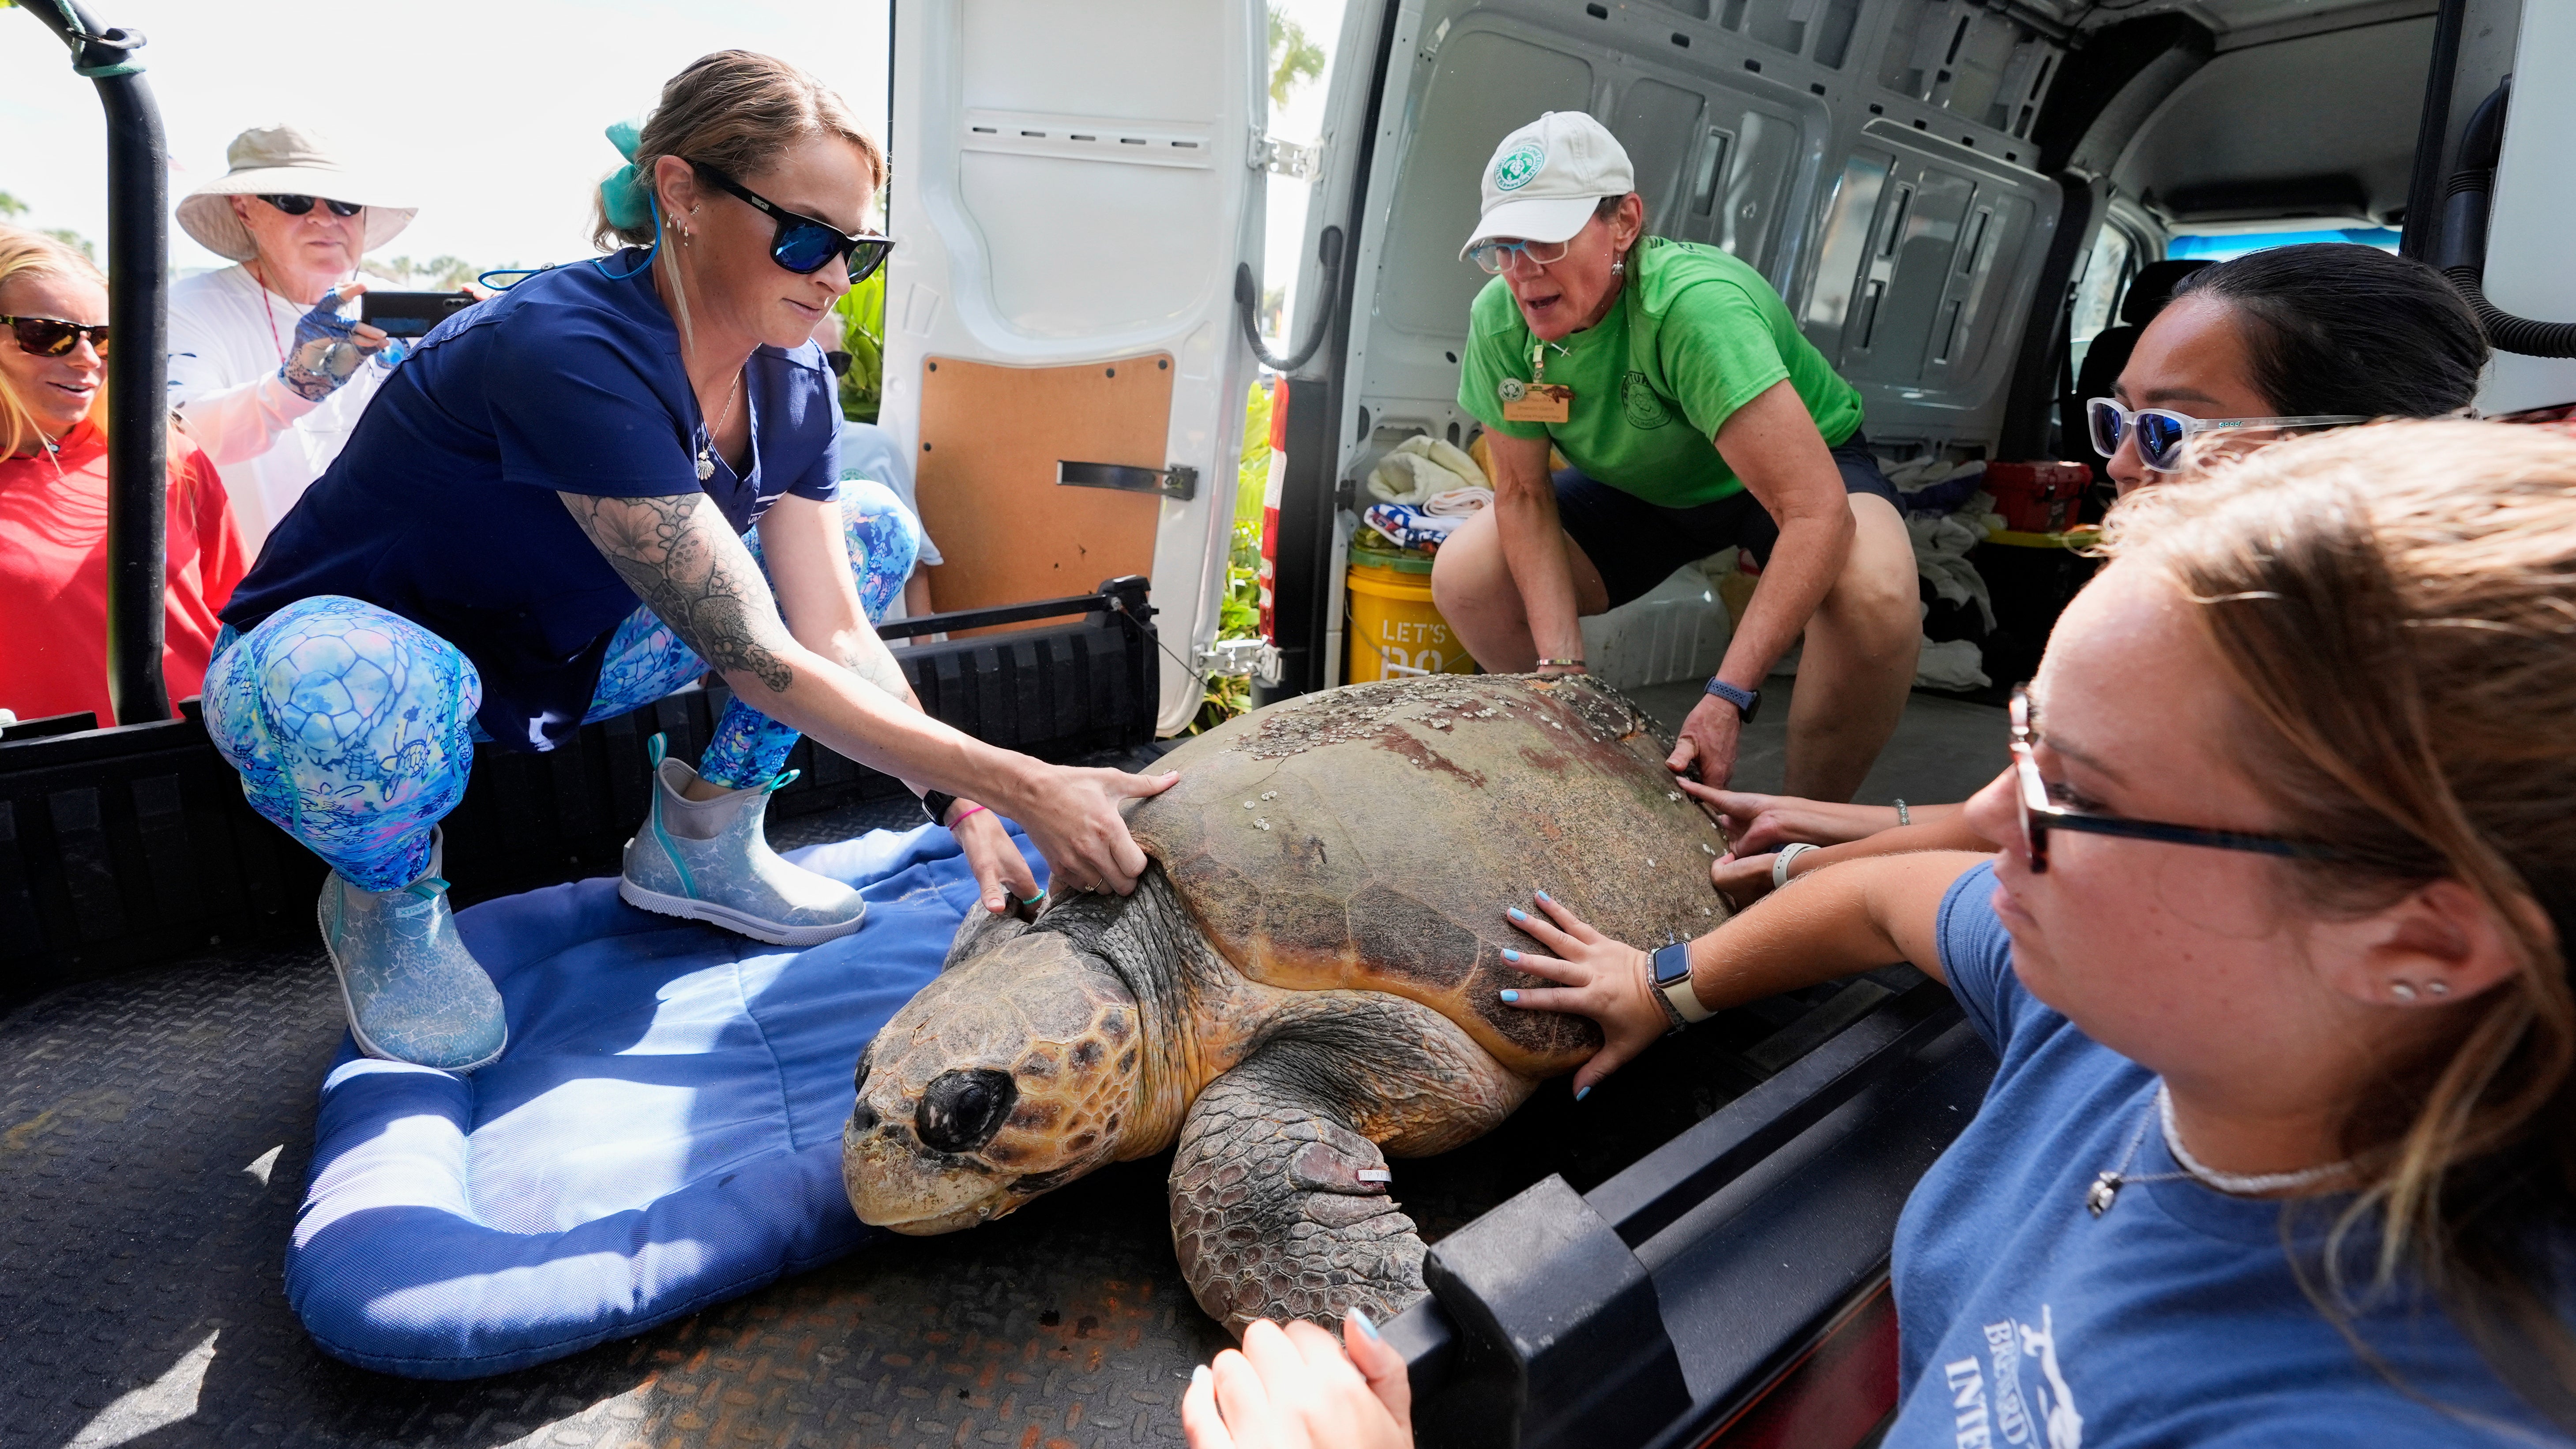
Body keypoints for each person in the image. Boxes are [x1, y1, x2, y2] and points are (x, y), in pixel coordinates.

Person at [1189, 420, 2576, 1446]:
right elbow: (1884, 897)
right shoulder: (2136, 1016)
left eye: (2081, 793)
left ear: (2422, 940)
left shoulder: (2363, 1407)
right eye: (2026, 738)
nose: (1986, 815)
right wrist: (1667, 983)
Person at [204, 52, 1175, 1074]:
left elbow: (832, 631)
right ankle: (387, 895)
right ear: (682, 195)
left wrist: (964, 805)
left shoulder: (794, 378)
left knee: (874, 531)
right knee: (346, 684)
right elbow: (756, 655)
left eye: (859, 250)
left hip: (557, 652)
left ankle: (704, 842)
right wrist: (1029, 784)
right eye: (806, 238)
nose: (834, 278)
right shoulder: (565, 348)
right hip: (357, 675)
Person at [1704, 240, 2492, 903]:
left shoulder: (2356, 677)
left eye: (2166, 430)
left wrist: (1762, 900)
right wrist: (1809, 821)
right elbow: (2028, 813)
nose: (2116, 464)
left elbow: (2034, 866)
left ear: (2350, 442)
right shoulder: (2222, 606)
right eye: (2116, 420)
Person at [1431, 111, 1920, 802]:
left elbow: (1816, 511)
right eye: (1502, 247)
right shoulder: (1502, 322)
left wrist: (1727, 697)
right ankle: (1589, 767)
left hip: (1798, 476)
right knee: (1468, 575)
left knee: (1877, 592)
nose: (1521, 271)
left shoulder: (1693, 309)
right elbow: (1523, 493)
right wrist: (1561, 671)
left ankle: (1799, 828)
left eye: (1545, 240)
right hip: (1645, 487)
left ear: (1624, 223)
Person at [0, 226, 247, 725]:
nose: (87, 358)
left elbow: (240, 617)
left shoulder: (171, 458)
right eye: (46, 333)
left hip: (200, 749)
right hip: (46, 769)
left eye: (104, 338)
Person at [167, 124, 412, 555]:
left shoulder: (406, 310)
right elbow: (180, 440)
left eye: (345, 203)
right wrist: (296, 386)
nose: (325, 218)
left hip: (385, 581)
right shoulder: (185, 307)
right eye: (294, 200)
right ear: (244, 209)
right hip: (253, 587)